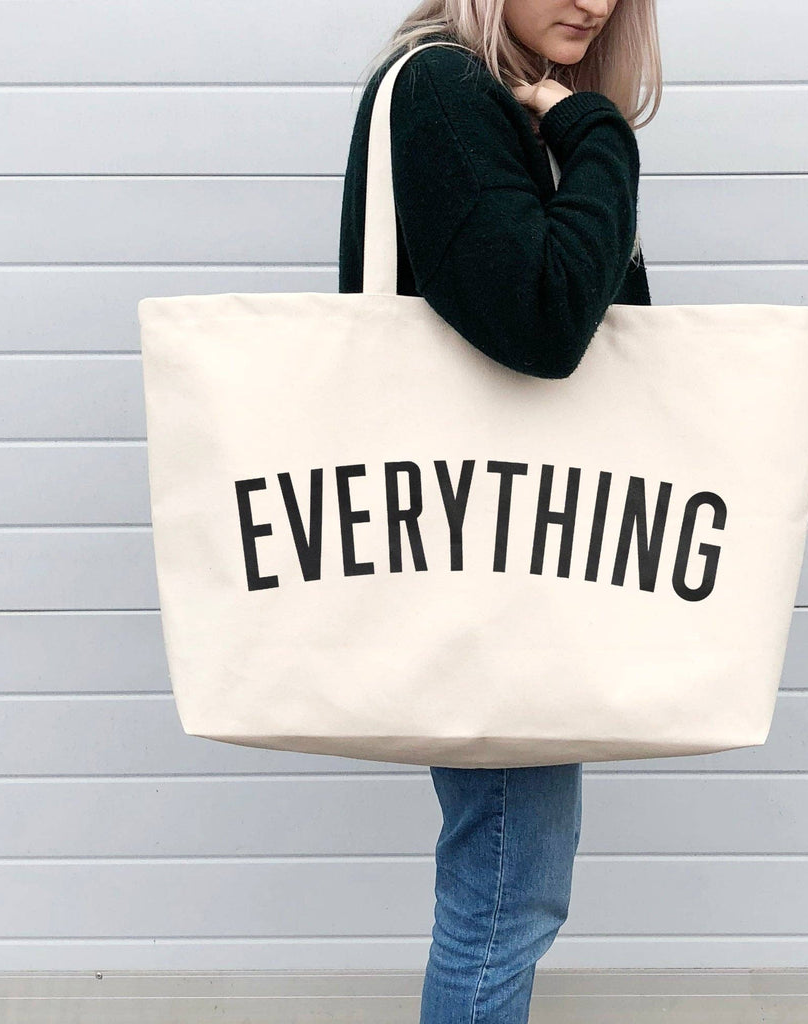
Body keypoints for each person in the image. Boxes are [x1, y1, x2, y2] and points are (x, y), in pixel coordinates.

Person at [338, 0, 662, 1019]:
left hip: (510, 548)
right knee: (505, 888)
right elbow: (546, 318)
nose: (594, 2)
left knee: (508, 879)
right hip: (493, 561)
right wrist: (596, 133)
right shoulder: (444, 89)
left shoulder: (497, 97)